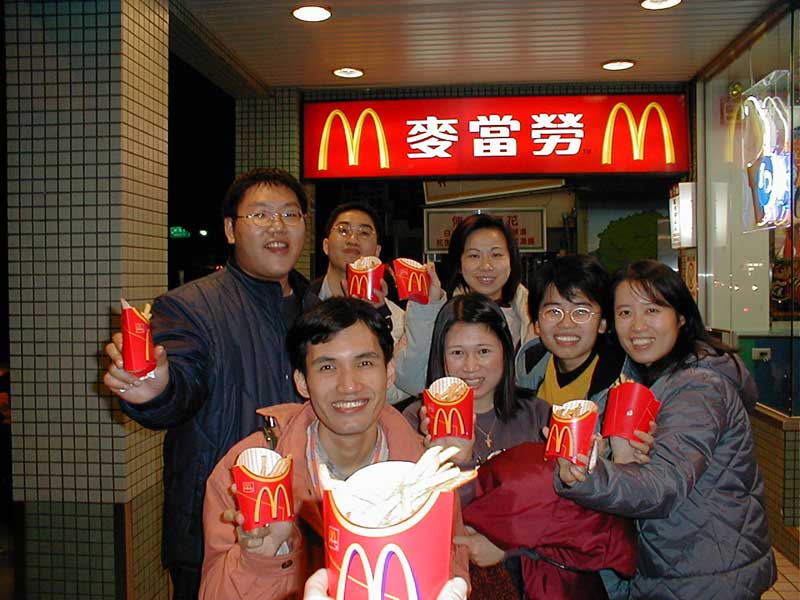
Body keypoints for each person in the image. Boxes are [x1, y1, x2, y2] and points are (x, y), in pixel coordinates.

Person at [102, 168, 317, 598]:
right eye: (261, 215)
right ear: (230, 229)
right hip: (218, 526)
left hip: (302, 524)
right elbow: (180, 385)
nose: (278, 226)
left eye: (290, 214)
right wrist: (157, 391)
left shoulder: (319, 309)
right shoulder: (189, 307)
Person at [199, 298, 470, 599]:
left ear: (389, 372)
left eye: (364, 363)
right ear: (302, 382)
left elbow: (453, 574)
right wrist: (262, 558)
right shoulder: (248, 474)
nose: (348, 385)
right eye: (327, 367)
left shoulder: (427, 475)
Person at [556, 259, 777, 599]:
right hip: (678, 565)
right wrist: (612, 454)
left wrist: (586, 475)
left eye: (653, 310)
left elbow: (663, 485)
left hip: (703, 577)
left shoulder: (699, 388)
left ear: (681, 316)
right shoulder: (644, 378)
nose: (637, 326)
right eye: (625, 313)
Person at [402, 294, 640, 599]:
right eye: (457, 353)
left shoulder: (539, 414)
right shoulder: (416, 420)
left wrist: (508, 548)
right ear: (441, 356)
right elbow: (421, 523)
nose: (471, 366)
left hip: (541, 585)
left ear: (506, 351)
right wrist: (453, 461)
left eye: (484, 351)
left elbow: (572, 519)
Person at [312, 201, 447, 403]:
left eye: (364, 233)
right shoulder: (301, 303)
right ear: (325, 245)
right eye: (343, 230)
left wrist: (376, 318)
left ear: (377, 251)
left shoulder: (400, 320)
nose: (353, 239)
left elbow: (406, 387)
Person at [395, 213, 533, 398]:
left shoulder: (535, 315)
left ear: (511, 260)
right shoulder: (438, 313)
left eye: (496, 255)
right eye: (474, 255)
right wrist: (427, 307)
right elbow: (412, 382)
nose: (486, 265)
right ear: (459, 264)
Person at [516, 253, 626, 408]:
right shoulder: (529, 362)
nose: (566, 324)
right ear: (537, 324)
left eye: (581, 312)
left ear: (602, 323)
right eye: (554, 311)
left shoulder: (621, 379)